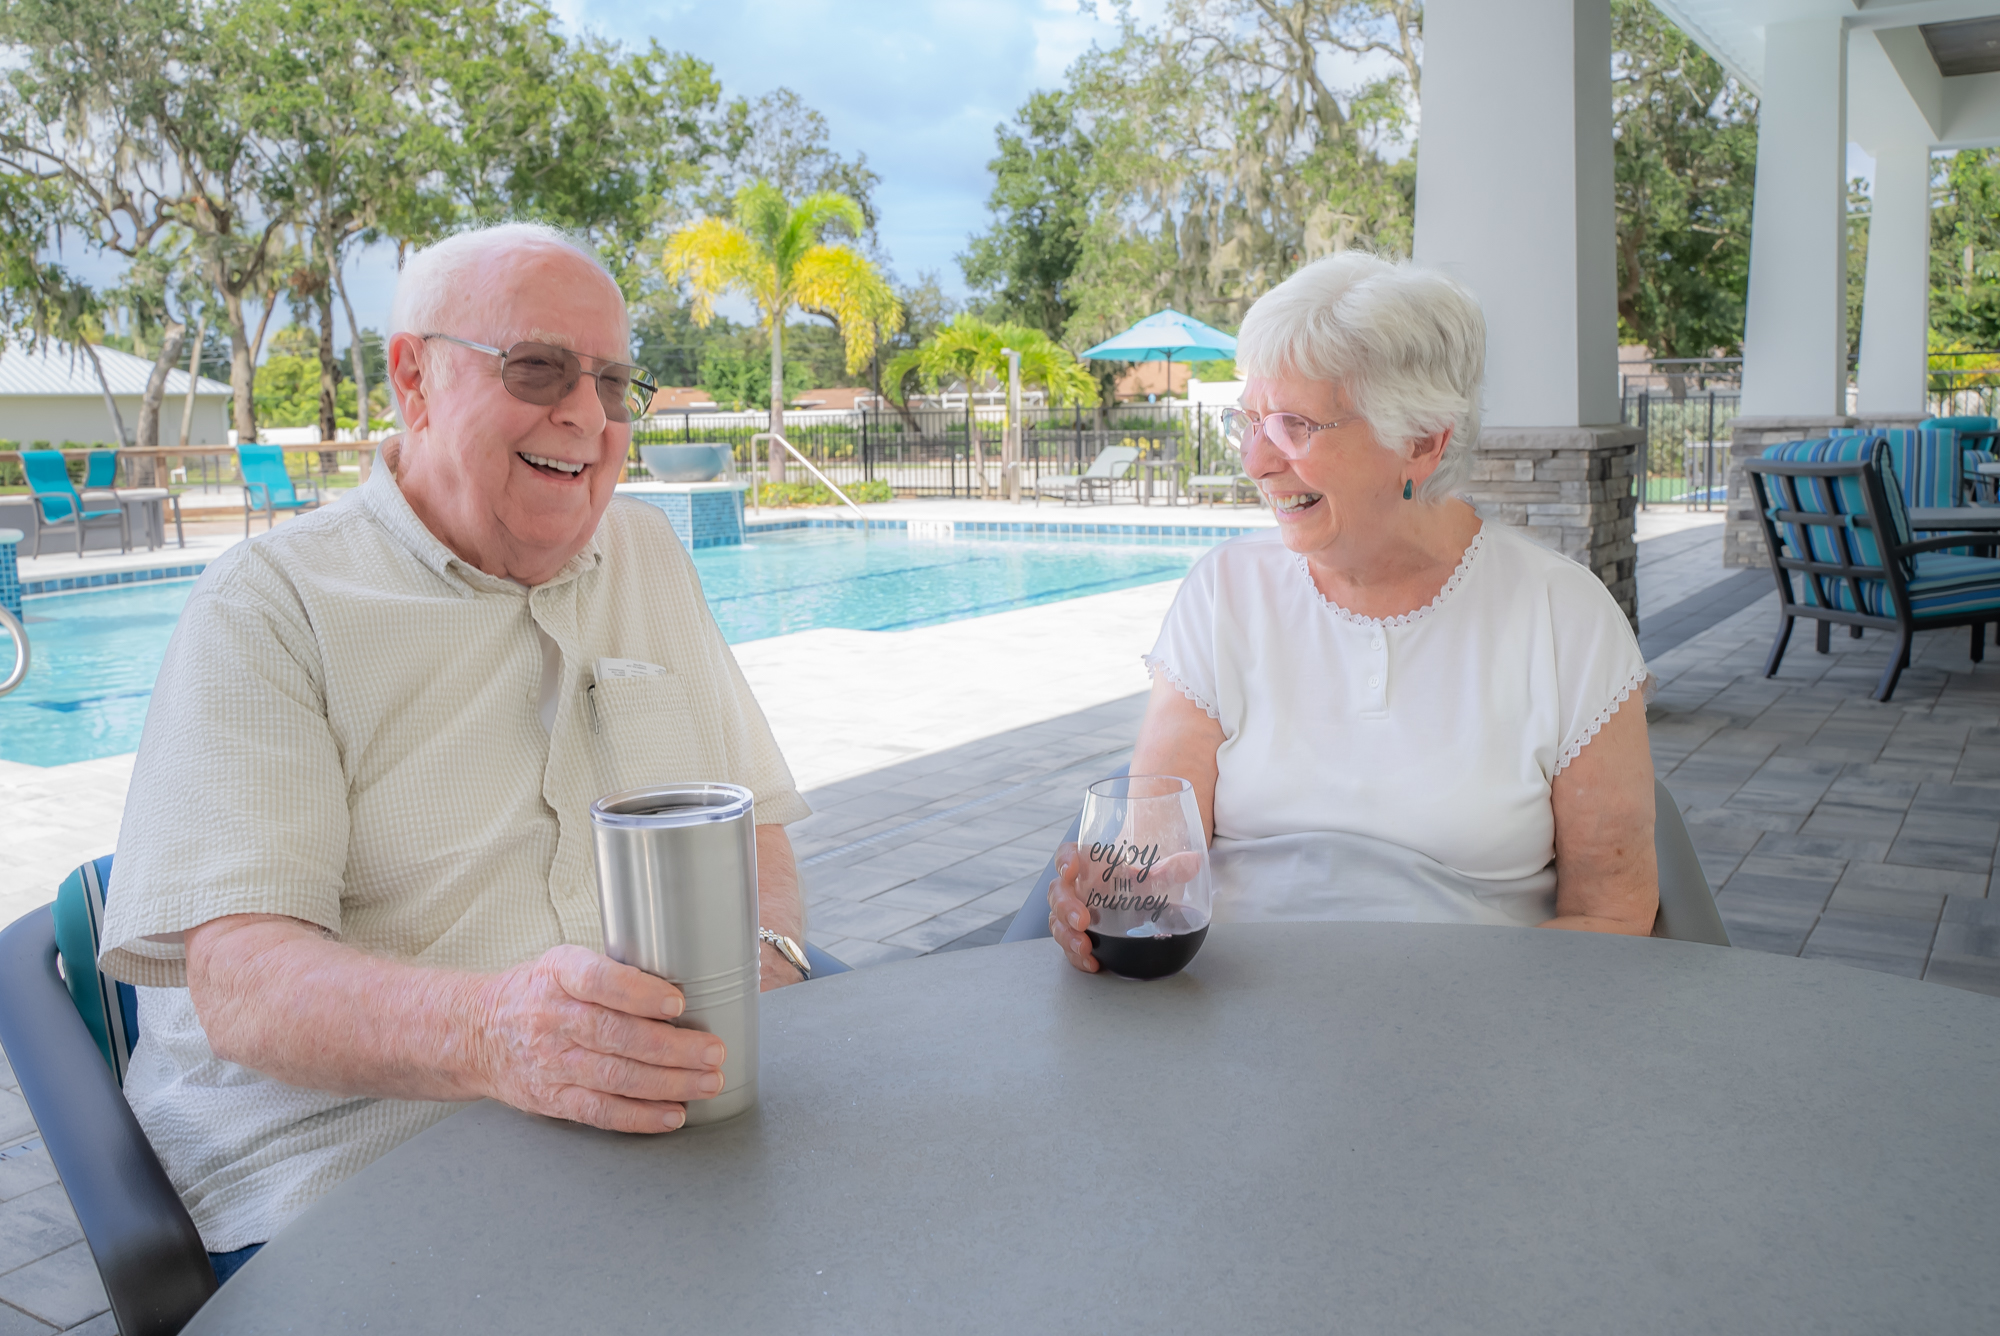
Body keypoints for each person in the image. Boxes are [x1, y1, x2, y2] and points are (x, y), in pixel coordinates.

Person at [97, 223, 813, 1274]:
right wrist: (495, 1034)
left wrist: (766, 980)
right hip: (346, 1168)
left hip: (641, 1129)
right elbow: (242, 980)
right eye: (538, 369)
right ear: (414, 380)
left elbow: (757, 828)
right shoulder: (272, 605)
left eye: (614, 383)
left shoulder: (648, 553)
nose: (584, 414)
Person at [1049, 251, 1659, 970]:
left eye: (1294, 425)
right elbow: (1153, 855)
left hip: (1471, 1029)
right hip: (1231, 1020)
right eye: (1250, 420)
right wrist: (1105, 888)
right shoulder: (1224, 594)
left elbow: (1611, 917)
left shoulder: (1563, 619)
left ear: (1422, 441)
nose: (1256, 461)